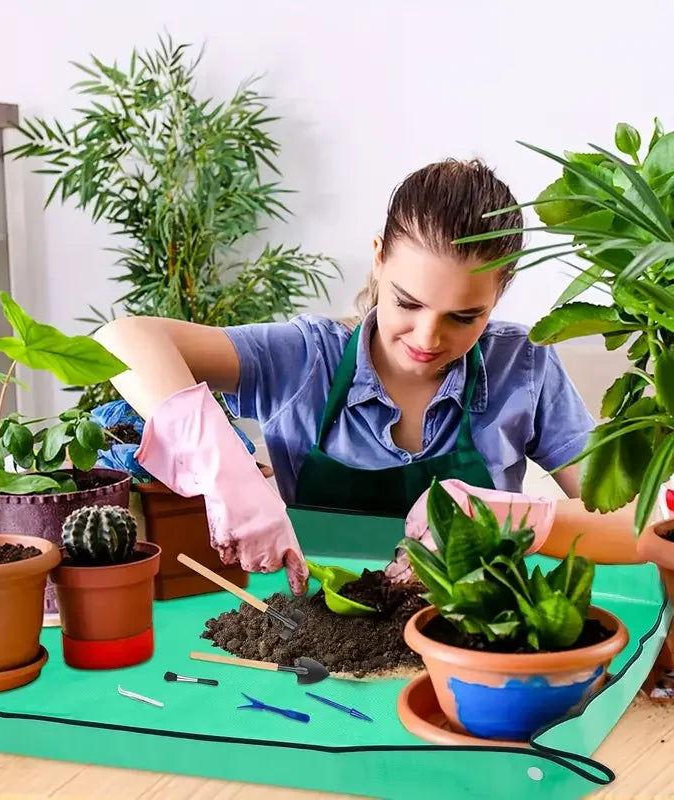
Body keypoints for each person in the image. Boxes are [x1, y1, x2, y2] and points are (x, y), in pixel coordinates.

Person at [95, 158, 641, 595]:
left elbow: (638, 522)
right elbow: (121, 339)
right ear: (379, 259)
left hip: (472, 641)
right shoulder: (307, 359)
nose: (427, 338)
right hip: (317, 641)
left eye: (464, 316)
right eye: (408, 302)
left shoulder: (523, 366)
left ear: (499, 295)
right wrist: (222, 468)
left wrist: (516, 520)